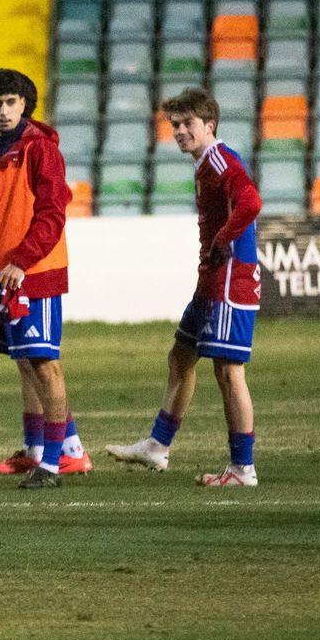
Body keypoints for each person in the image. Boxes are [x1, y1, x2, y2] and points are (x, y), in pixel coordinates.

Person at [106, 88, 263, 487]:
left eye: (187, 124)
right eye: (174, 125)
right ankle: (157, 446)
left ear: (210, 125)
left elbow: (251, 203)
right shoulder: (205, 164)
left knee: (229, 373)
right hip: (211, 281)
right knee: (180, 357)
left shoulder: (222, 161)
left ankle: (243, 469)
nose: (178, 131)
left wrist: (222, 239)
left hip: (231, 281)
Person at [0, 69, 88, 486]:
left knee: (42, 363)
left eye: (10, 102)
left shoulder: (41, 149)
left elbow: (53, 213)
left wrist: (22, 261)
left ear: (24, 105)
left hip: (32, 273)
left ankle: (54, 462)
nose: (2, 110)